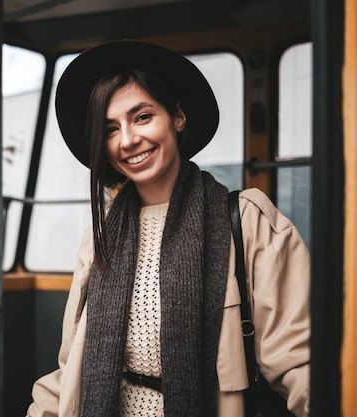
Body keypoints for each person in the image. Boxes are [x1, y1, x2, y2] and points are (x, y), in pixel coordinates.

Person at [26, 40, 310, 417]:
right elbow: (72, 364)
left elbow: (299, 360)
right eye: (111, 128)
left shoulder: (246, 219)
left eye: (142, 116)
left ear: (177, 117)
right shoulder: (103, 233)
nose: (128, 140)